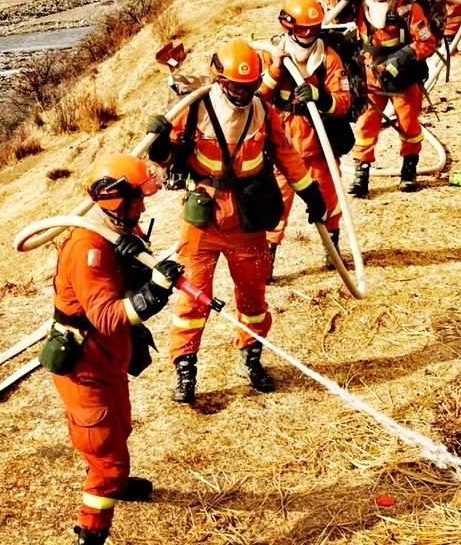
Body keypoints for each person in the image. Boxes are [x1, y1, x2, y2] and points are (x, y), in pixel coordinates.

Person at [145, 40, 326, 404]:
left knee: (253, 297)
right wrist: (159, 145)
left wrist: (311, 192)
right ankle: (185, 370)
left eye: (250, 86)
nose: (243, 93)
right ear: (219, 79)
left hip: (247, 218)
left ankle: (251, 357)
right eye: (236, 86)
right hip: (204, 221)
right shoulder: (195, 108)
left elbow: (286, 154)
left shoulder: (262, 111)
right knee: (193, 300)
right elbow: (169, 157)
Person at [49, 154, 184, 545]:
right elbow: (108, 317)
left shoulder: (119, 228)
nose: (143, 207)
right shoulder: (87, 247)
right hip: (86, 364)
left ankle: (115, 480)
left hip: (110, 356)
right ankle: (91, 530)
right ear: (115, 199)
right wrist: (153, 292)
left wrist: (146, 266)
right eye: (138, 200)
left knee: (119, 425)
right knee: (106, 457)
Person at [259, 0, 352, 273]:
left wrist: (320, 97)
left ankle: (332, 248)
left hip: (319, 145)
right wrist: (275, 72)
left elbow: (343, 102)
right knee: (275, 205)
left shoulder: (329, 58)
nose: (309, 35)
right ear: (288, 26)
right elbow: (256, 99)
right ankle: (266, 258)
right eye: (302, 29)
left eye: (314, 29)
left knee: (329, 199)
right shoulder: (271, 55)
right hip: (282, 147)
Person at [346, 0, 437, 196]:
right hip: (370, 78)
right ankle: (361, 173)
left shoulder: (408, 7)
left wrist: (400, 60)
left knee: (408, 124)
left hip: (403, 79)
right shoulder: (357, 5)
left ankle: (409, 169)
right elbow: (333, 22)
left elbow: (427, 43)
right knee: (365, 125)